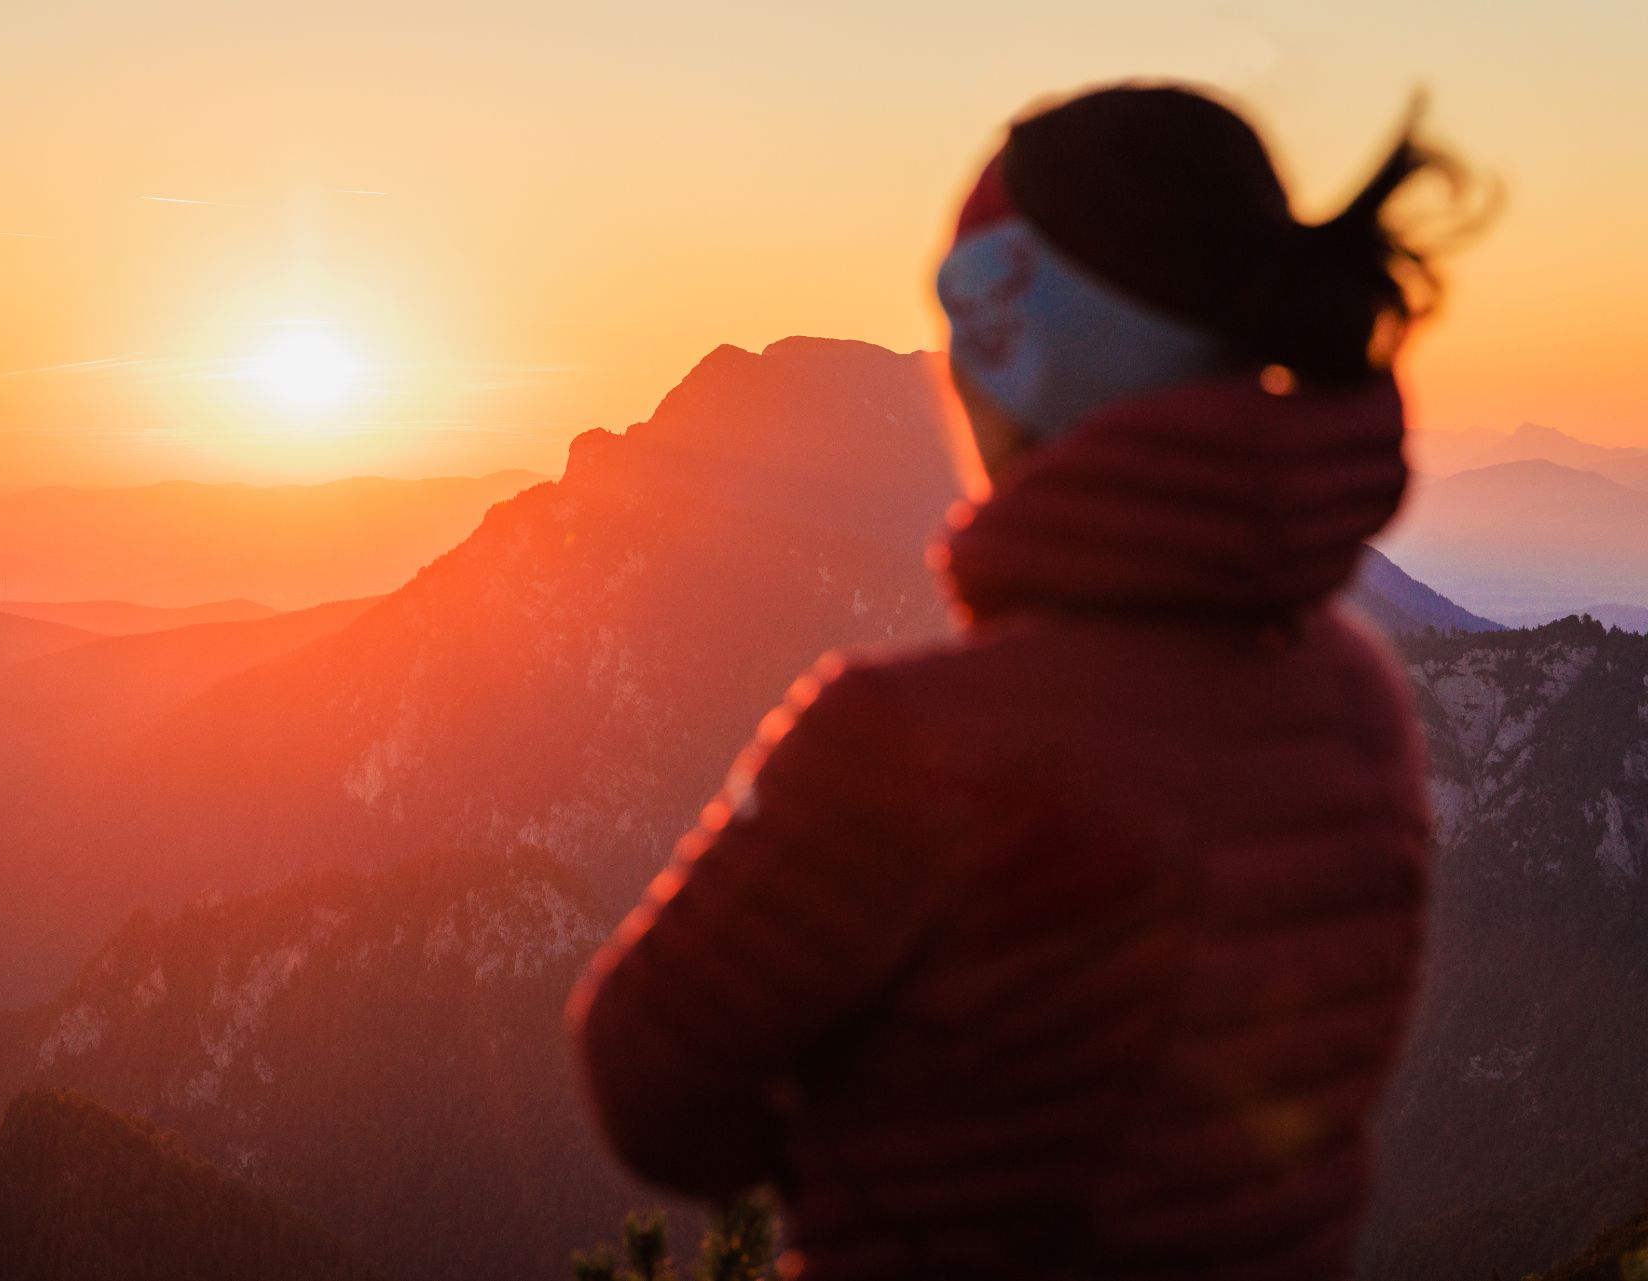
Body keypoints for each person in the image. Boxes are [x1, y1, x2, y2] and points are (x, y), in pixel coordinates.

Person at [569, 82, 1453, 1280]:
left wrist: (869, 1155)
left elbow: (645, 1073)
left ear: (1012, 344)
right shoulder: (1358, 708)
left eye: (955, 315)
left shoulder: (904, 740)